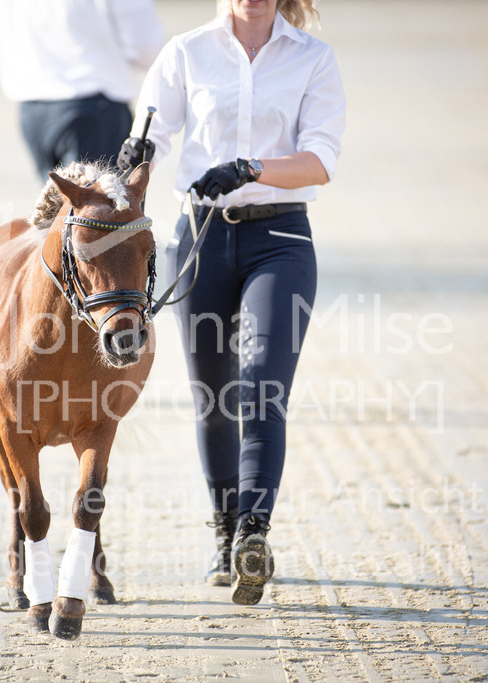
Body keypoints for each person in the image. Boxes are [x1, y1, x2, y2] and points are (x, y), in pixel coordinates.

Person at [118, 0, 345, 605]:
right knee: (215, 398)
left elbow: (320, 161)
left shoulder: (313, 58)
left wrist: (249, 168)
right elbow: (151, 134)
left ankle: (253, 533)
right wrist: (137, 156)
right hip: (200, 238)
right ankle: (224, 533)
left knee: (263, 387)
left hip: (282, 240)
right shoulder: (186, 52)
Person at [0, 0, 165, 180]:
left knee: (57, 195)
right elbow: (146, 46)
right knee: (99, 195)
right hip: (92, 106)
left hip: (33, 108)